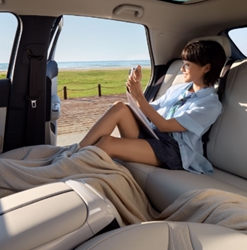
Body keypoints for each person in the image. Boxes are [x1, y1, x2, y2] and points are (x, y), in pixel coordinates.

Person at [79, 40, 227, 174]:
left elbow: (165, 126)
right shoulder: (177, 90)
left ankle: (73, 167)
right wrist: (135, 92)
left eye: (187, 64)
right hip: (153, 134)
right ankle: (74, 153)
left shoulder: (210, 105)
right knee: (120, 107)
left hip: (174, 150)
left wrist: (140, 97)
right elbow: (150, 110)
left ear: (206, 68)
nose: (182, 68)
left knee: (107, 143)